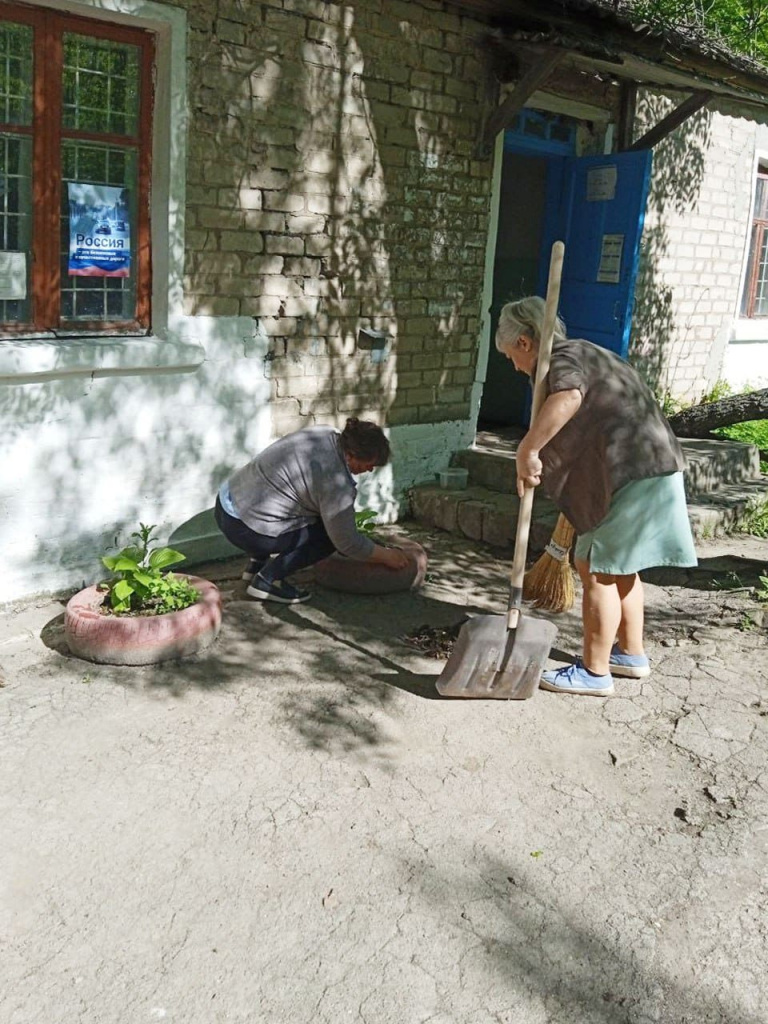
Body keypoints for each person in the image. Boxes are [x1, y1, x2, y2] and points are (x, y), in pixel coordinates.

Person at [495, 296, 697, 697]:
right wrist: (540, 463)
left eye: (509, 356)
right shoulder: (590, 352)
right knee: (622, 566)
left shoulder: (564, 358)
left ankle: (595, 672)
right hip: (655, 466)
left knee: (595, 566)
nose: (514, 367)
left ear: (523, 342)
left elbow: (569, 398)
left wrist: (527, 450)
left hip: (630, 473)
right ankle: (630, 654)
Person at [214, 418, 410, 604]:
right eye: (369, 464)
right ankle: (267, 581)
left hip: (226, 505)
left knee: (286, 505)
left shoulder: (324, 433)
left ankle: (256, 565)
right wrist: (387, 556)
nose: (369, 470)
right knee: (327, 538)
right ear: (351, 455)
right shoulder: (336, 483)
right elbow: (347, 543)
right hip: (247, 529)